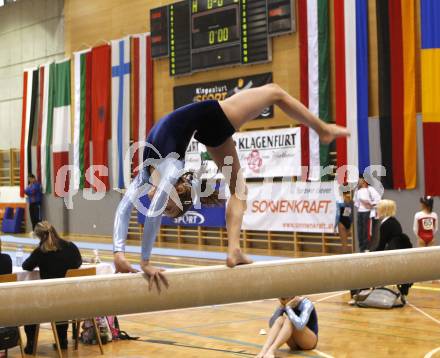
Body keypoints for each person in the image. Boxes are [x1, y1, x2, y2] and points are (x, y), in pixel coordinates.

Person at [113, 84, 350, 291]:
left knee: (240, 186)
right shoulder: (162, 172)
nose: (163, 209)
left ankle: (323, 131)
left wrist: (132, 257)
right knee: (274, 93)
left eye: (167, 209)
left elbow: (138, 210)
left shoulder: (158, 173)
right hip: (212, 119)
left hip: (210, 121)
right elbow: (137, 210)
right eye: (169, 209)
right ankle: (323, 130)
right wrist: (129, 256)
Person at [22, 221, 82, 354]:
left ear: (39, 237)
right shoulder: (70, 246)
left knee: (29, 306)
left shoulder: (40, 251)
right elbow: (78, 263)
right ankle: (62, 340)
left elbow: (26, 266)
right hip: (71, 298)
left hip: (49, 301)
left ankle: (31, 343)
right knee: (61, 301)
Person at [372, 199, 413, 301]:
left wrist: (370, 253)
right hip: (400, 249)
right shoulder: (394, 221)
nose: (377, 210)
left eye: (378, 208)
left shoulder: (385, 224)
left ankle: (375, 285)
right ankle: (401, 292)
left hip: (395, 250)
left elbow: (381, 246)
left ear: (384, 210)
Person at [353, 176, 381, 252]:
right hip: (360, 213)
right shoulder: (357, 191)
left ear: (364, 180)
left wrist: (371, 204)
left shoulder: (370, 189)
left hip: (368, 213)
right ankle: (361, 248)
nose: (358, 181)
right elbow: (356, 202)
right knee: (360, 231)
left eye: (360, 179)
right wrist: (362, 203)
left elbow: (378, 200)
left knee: (367, 231)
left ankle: (367, 248)